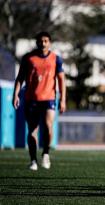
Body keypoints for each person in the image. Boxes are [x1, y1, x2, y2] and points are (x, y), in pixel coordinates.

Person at [12, 31, 66, 171]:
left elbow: (61, 80)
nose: (43, 43)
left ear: (50, 42)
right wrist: (15, 95)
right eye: (40, 41)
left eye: (46, 41)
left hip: (49, 98)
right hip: (31, 99)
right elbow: (20, 78)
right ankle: (33, 160)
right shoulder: (28, 58)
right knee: (32, 131)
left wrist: (63, 99)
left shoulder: (56, 59)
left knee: (48, 126)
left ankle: (46, 153)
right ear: (36, 42)